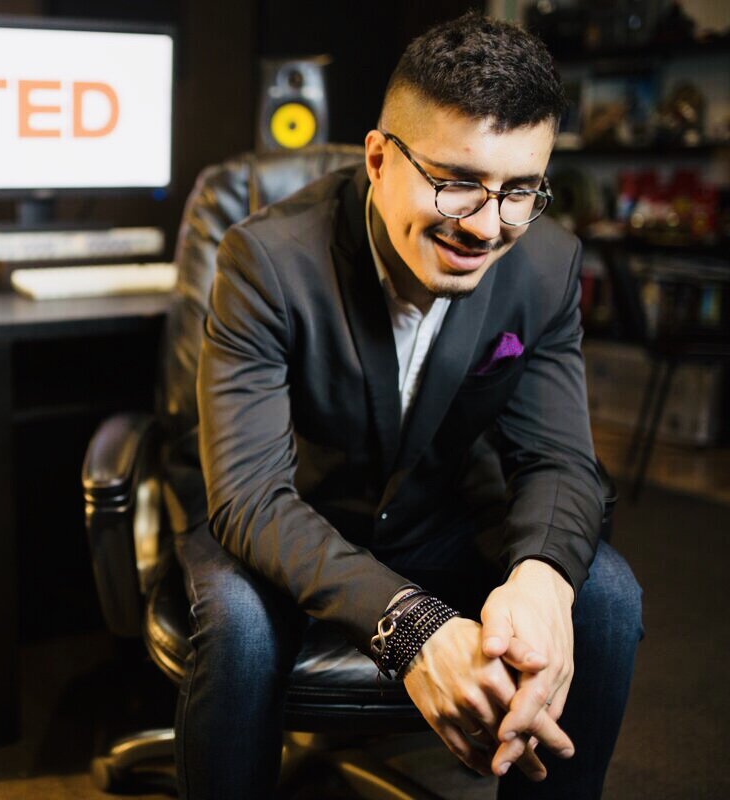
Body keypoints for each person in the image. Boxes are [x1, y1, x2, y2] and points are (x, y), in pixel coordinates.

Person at [170, 12, 643, 799]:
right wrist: (409, 625)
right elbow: (251, 498)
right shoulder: (266, 260)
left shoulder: (546, 264)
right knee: (239, 622)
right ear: (378, 159)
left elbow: (560, 459)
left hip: (436, 520)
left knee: (605, 595)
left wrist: (540, 577)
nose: (486, 227)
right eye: (456, 182)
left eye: (519, 190)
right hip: (289, 529)